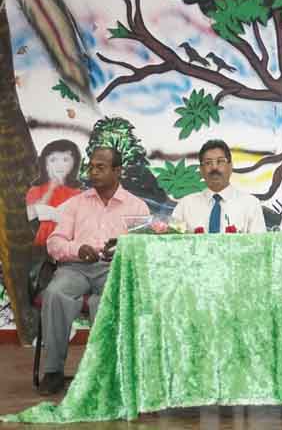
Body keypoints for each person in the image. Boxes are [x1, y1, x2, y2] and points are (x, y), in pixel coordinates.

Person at [40, 147, 149, 395]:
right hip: (75, 268)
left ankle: (103, 373)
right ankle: (53, 371)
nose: (93, 172)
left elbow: (143, 248)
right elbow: (54, 242)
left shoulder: (137, 206)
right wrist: (78, 249)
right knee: (55, 293)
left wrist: (121, 249)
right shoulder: (76, 204)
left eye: (101, 167)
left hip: (114, 269)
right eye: (91, 167)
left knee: (104, 302)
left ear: (117, 171)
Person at [172, 139, 267, 233]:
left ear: (230, 166)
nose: (214, 167)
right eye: (208, 162)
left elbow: (260, 242)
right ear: (201, 170)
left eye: (220, 161)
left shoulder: (250, 205)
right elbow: (171, 239)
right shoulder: (185, 206)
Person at [26, 140, 82, 246]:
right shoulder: (36, 190)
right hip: (42, 244)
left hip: (68, 244)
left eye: (65, 160)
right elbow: (30, 215)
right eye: (53, 160)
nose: (59, 165)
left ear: (74, 164)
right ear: (45, 165)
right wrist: (51, 189)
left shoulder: (79, 194)